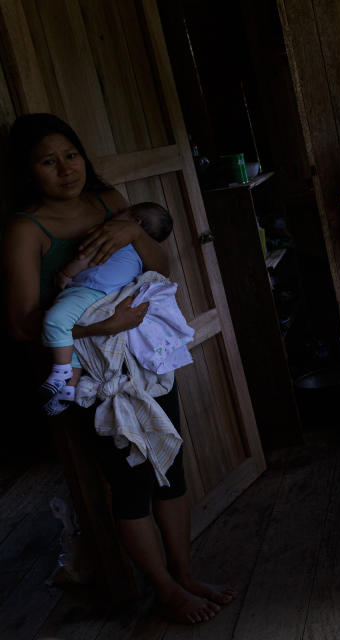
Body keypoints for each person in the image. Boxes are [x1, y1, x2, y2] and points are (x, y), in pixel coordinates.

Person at [1, 113, 235, 624]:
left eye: (72, 155)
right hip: (95, 378)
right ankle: (165, 589)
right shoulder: (26, 229)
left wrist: (131, 229)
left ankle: (185, 572)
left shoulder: (109, 204)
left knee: (170, 469)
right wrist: (100, 329)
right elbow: (21, 326)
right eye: (48, 161)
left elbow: (159, 265)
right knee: (131, 486)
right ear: (26, 170)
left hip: (147, 362)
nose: (66, 170)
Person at [38, 202, 174, 416]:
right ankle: (67, 391)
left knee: (55, 320)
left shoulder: (111, 239)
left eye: (122, 212)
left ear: (135, 222)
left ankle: (61, 373)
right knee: (71, 344)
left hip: (88, 291)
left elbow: (84, 259)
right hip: (110, 303)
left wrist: (65, 275)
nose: (115, 215)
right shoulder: (141, 258)